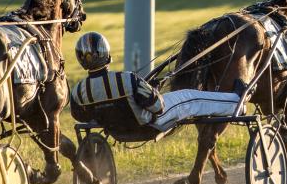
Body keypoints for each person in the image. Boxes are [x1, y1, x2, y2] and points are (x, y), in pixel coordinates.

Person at [70, 32, 244, 132]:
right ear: (106, 53)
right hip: (149, 124)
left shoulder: (78, 91)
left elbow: (82, 116)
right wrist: (153, 91)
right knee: (190, 97)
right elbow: (158, 107)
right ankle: (237, 102)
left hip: (116, 130)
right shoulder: (127, 79)